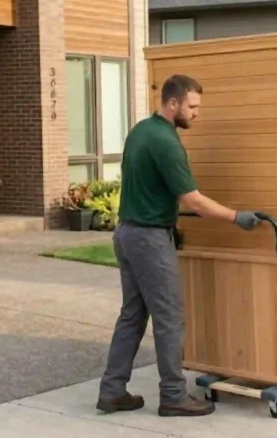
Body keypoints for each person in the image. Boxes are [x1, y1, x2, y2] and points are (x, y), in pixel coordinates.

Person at [96, 74, 262, 417]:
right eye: (193, 106)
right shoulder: (166, 142)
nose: (197, 113)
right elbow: (194, 201)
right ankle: (173, 395)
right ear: (173, 104)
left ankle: (112, 391)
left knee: (132, 315)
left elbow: (153, 190)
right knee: (169, 317)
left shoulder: (141, 130)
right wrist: (236, 217)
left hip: (127, 233)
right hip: (148, 239)